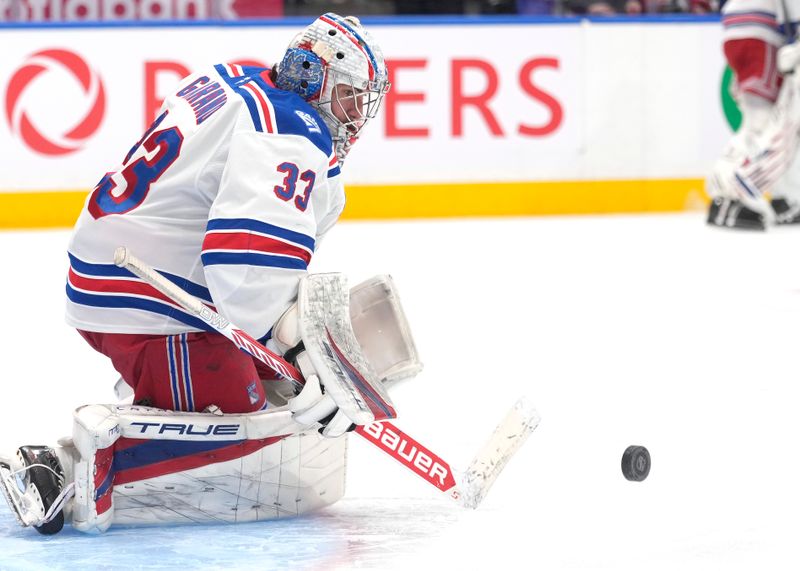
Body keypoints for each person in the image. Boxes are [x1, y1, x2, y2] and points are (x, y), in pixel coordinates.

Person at [1, 12, 396, 535]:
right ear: (314, 77)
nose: (354, 117)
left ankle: (161, 393)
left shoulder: (237, 77)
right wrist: (296, 357)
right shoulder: (288, 130)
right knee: (254, 435)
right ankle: (61, 472)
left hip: (116, 273)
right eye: (349, 97)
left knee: (274, 383)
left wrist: (286, 352)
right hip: (148, 302)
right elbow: (245, 274)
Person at [706, 0, 800, 229]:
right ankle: (728, 198)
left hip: (747, 27)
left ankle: (782, 198)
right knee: (763, 125)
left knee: (772, 123)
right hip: (759, 30)